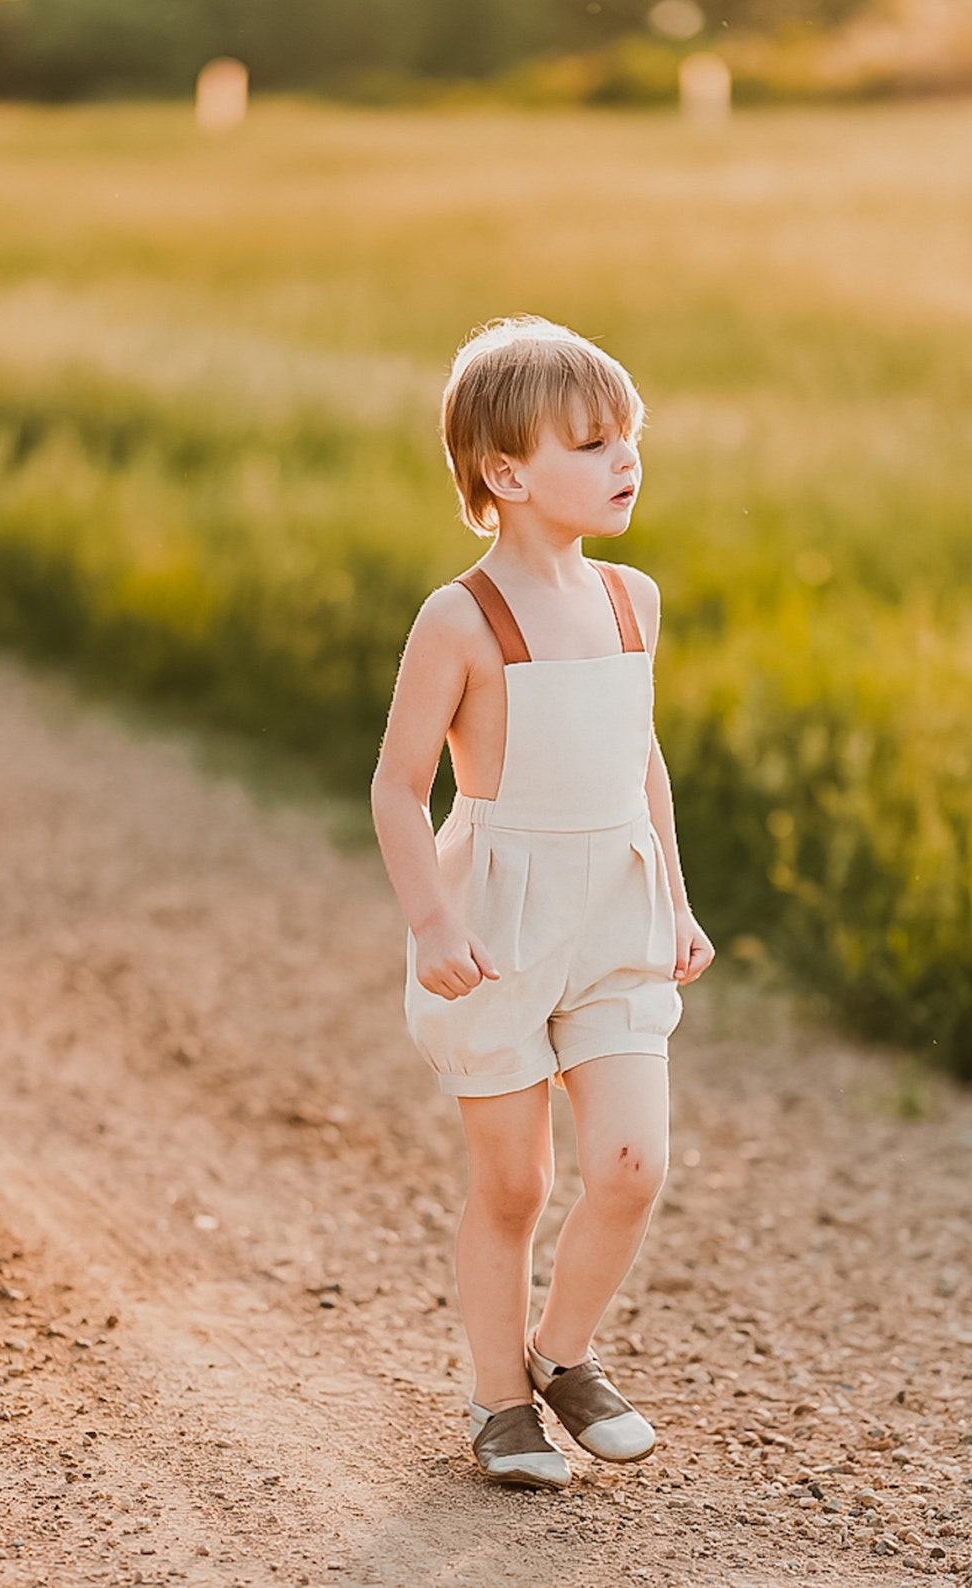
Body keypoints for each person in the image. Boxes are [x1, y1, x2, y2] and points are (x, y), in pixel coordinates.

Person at [370, 316, 715, 1489]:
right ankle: (497, 1401)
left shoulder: (634, 599)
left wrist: (673, 898)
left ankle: (561, 1355)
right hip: (502, 918)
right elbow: (398, 787)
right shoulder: (459, 619)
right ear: (506, 474)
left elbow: (643, 761)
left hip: (615, 912)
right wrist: (432, 923)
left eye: (629, 435)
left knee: (630, 1163)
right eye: (591, 440)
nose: (624, 457)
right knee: (514, 1181)